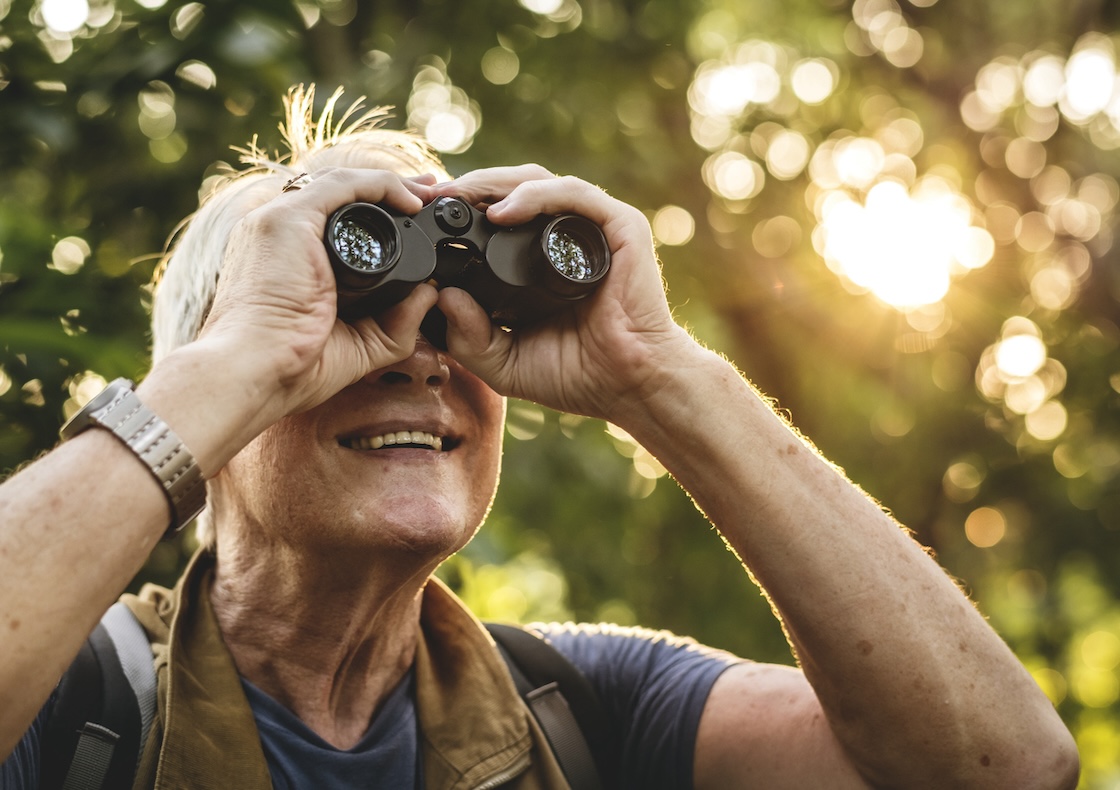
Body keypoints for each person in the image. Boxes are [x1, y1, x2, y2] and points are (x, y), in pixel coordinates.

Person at [0, 85, 1078, 789]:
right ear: (219, 366)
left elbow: (1002, 768)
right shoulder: (77, 705)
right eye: (347, 318)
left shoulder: (584, 711)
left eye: (457, 318)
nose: (421, 356)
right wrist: (238, 365)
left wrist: (658, 374)